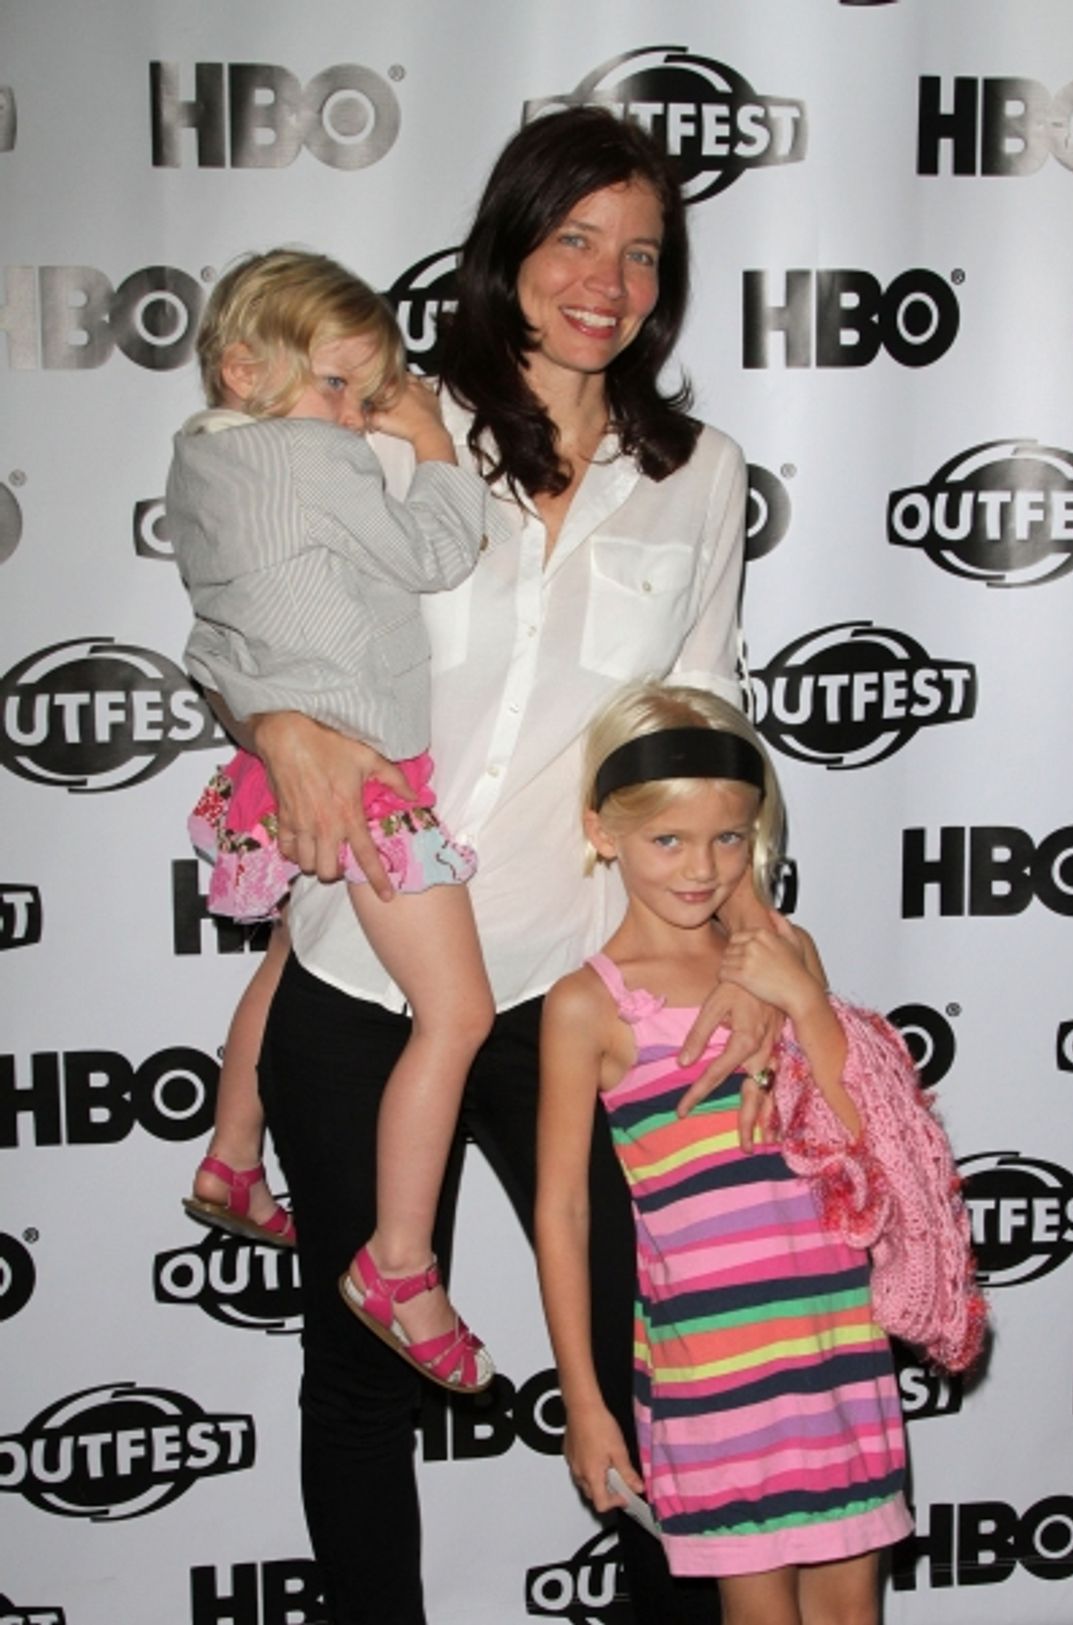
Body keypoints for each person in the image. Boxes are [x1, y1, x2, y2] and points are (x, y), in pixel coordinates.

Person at [245, 109, 784, 1624]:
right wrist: (277, 720)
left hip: (565, 988)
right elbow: (253, 609)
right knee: (357, 1369)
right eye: (573, 238)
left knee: (642, 1352)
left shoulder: (700, 473)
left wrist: (743, 958)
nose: (604, 279)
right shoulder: (383, 425)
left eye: (640, 252)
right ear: (510, 247)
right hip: (366, 967)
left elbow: (704, 731)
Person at [168, 248, 495, 1393]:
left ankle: (233, 1153)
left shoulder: (198, 473)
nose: (355, 417)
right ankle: (402, 1264)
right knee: (456, 1012)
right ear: (243, 364)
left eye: (367, 393)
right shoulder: (312, 458)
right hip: (361, 773)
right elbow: (436, 550)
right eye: (337, 387)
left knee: (286, 952)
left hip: (280, 765)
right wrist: (433, 447)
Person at [536, 683, 912, 1625]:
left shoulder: (785, 955)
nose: (701, 868)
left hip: (836, 1337)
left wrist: (805, 998)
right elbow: (563, 1212)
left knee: (851, 1611)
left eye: (729, 839)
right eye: (668, 839)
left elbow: (864, 1131)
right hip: (717, 1365)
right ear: (603, 830)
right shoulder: (589, 1005)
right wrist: (586, 1400)